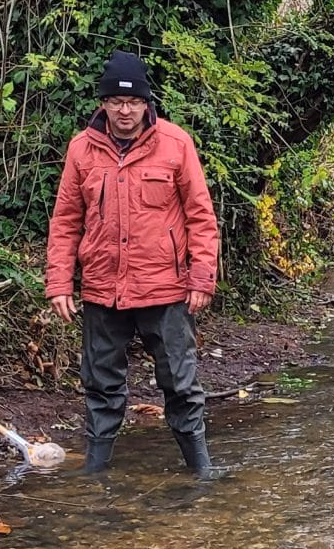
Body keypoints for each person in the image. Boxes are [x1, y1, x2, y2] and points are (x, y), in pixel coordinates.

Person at [45, 52, 222, 478]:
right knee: (100, 385)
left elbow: (201, 216)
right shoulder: (81, 150)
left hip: (166, 290)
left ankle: (202, 472)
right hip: (103, 289)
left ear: (147, 104)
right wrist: (59, 283)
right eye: (116, 102)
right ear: (103, 104)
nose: (125, 112)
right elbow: (66, 220)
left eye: (134, 103)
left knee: (180, 384)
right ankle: (95, 473)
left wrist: (202, 277)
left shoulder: (176, 144)